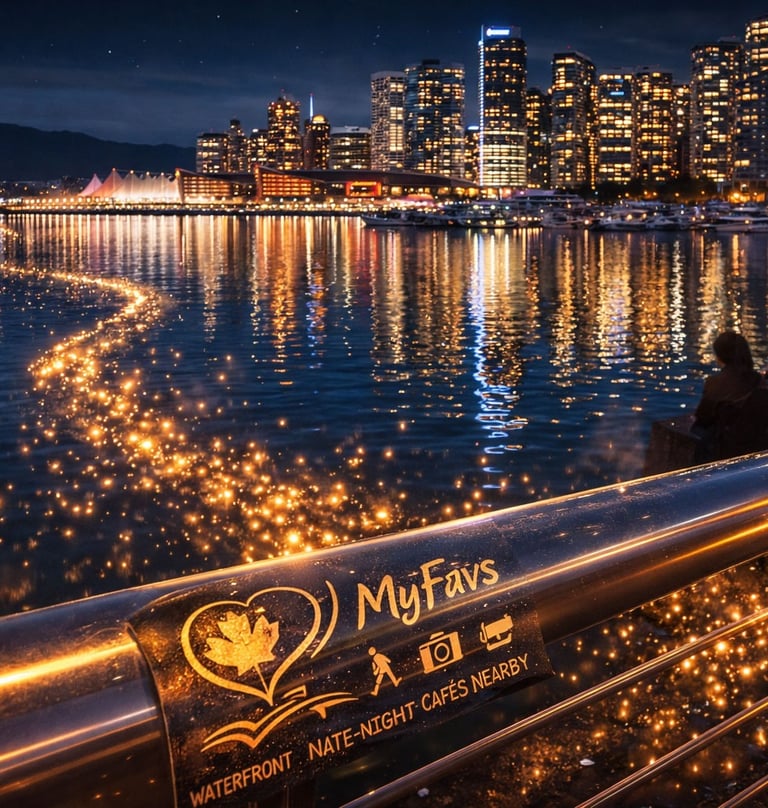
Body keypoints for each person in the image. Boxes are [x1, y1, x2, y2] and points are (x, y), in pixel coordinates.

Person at [692, 330, 768, 461]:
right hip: (760, 447)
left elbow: (703, 418)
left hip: (728, 450)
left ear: (719, 356)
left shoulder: (714, 383)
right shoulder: (759, 381)